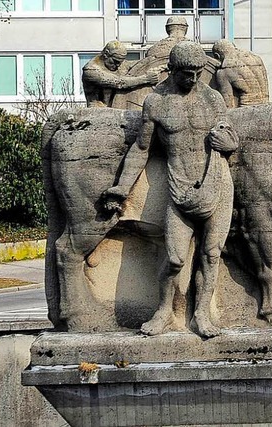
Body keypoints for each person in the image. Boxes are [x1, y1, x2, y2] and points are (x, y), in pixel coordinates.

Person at [101, 41, 239, 338]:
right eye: (186, 73)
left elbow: (232, 139)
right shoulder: (156, 102)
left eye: (198, 73)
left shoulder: (213, 99)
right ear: (173, 70)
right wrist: (121, 187)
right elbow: (141, 148)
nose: (192, 79)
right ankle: (164, 311)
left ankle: (201, 314)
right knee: (175, 258)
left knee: (211, 254)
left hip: (217, 185)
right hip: (180, 189)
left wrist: (227, 144)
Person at [82, 40, 160, 107]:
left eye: (120, 62)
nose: (118, 65)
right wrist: (145, 79)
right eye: (115, 61)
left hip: (117, 106)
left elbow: (134, 64)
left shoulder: (116, 63)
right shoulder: (91, 70)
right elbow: (119, 82)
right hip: (99, 110)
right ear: (106, 54)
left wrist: (153, 59)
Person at [212, 39, 269, 108]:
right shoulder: (255, 57)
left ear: (217, 56)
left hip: (246, 110)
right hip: (265, 107)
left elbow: (228, 105)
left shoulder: (224, 71)